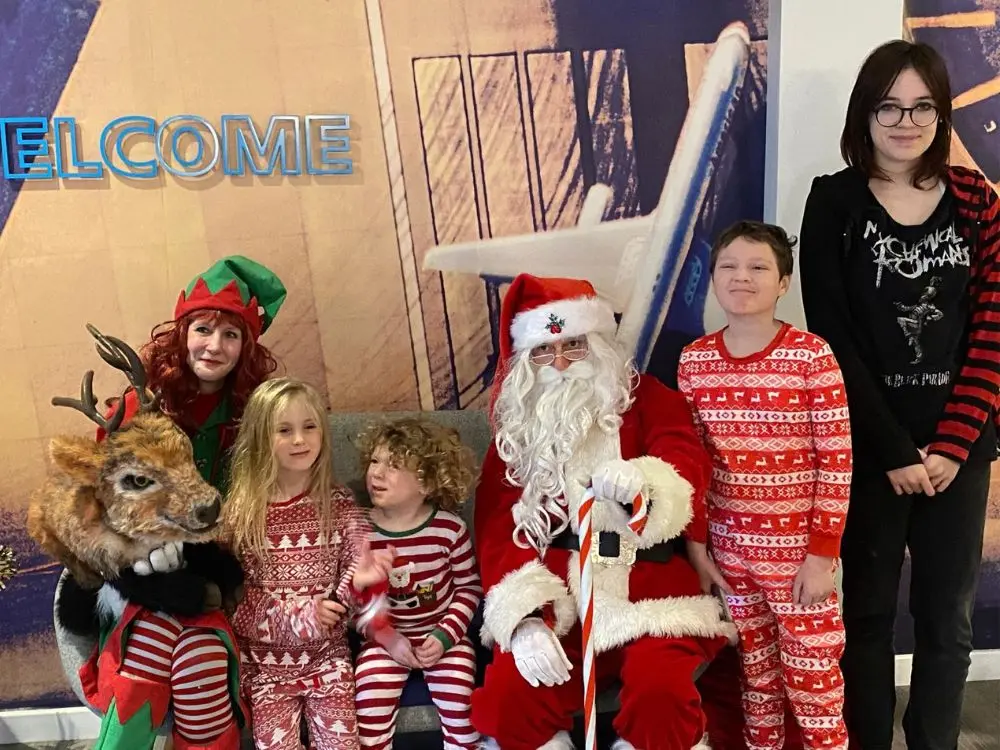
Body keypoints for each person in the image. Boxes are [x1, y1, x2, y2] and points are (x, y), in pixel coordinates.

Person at [798, 40, 1000, 749]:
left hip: (959, 453)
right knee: (871, 618)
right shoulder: (834, 201)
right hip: (869, 451)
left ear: (941, 115)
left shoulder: (977, 201)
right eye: (890, 105)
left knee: (949, 623)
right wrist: (892, 449)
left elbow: (992, 327)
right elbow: (833, 339)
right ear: (867, 112)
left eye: (923, 106)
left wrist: (950, 446)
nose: (906, 121)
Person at [471, 273, 736, 750]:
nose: (560, 363)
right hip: (558, 600)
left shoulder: (649, 398)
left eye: (573, 346)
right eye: (544, 352)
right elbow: (496, 530)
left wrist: (647, 482)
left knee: (662, 695)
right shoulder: (515, 431)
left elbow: (686, 464)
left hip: (648, 595)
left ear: (596, 343)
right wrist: (525, 618)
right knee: (512, 696)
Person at [676, 221, 852, 750]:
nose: (741, 277)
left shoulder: (811, 356)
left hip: (799, 557)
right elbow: (692, 464)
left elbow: (836, 460)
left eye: (758, 268)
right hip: (731, 554)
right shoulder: (695, 361)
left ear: (783, 284)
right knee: (756, 676)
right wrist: (698, 546)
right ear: (713, 279)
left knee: (813, 680)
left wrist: (821, 555)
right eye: (728, 266)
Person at [224, 378, 395, 750]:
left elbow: (353, 581)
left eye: (309, 427)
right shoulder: (240, 514)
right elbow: (232, 599)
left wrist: (359, 583)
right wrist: (302, 618)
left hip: (328, 661)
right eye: (284, 430)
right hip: (265, 667)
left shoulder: (339, 502)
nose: (300, 440)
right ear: (260, 437)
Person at [100, 254, 286, 493]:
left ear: (244, 348)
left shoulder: (258, 409)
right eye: (203, 329)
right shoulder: (136, 408)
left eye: (230, 334)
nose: (215, 346)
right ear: (182, 336)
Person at [353, 418, 483, 749]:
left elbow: (468, 590)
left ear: (426, 483)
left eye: (394, 466)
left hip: (442, 638)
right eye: (375, 461)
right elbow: (356, 602)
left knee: (462, 706)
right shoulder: (359, 531)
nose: (377, 473)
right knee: (368, 698)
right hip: (385, 640)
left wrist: (444, 636)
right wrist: (387, 638)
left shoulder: (449, 530)